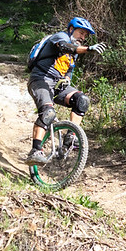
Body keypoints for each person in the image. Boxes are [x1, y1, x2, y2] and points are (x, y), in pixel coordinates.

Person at [24, 17, 106, 165]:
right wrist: (88, 49)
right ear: (70, 30)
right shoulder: (61, 37)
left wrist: (67, 79)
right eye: (81, 33)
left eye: (85, 36)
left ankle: (71, 138)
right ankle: (35, 151)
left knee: (82, 100)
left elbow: (69, 69)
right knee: (48, 113)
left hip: (56, 85)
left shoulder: (73, 52)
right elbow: (64, 46)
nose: (83, 37)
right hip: (40, 80)